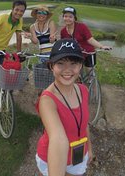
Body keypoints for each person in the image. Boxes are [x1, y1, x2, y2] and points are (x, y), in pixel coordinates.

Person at [35, 38, 93, 176]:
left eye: (73, 63)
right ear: (51, 66)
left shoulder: (83, 90)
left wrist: (89, 148)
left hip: (79, 155)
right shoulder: (47, 100)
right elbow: (58, 138)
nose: (67, 70)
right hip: (53, 160)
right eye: (60, 63)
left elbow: (84, 124)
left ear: (80, 66)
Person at [0, 0, 27, 94]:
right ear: (12, 9)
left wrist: (19, 53)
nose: (19, 13)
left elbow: (18, 37)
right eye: (17, 10)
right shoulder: (2, 17)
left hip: (2, 49)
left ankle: (3, 86)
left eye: (22, 11)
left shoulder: (20, 20)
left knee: (5, 68)